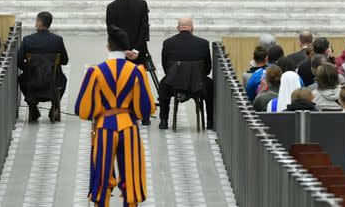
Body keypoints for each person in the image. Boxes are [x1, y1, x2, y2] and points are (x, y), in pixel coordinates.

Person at [75, 25, 154, 207]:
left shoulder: (95, 72)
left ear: (108, 47)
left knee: (102, 175)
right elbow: (146, 109)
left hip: (105, 127)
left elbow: (83, 109)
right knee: (131, 176)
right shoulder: (136, 71)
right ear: (127, 49)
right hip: (128, 127)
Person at [158, 17, 213, 129]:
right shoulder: (203, 44)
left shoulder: (168, 43)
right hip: (198, 84)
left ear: (178, 28)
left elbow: (166, 67)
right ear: (192, 28)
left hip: (173, 84)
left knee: (163, 84)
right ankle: (210, 121)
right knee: (211, 85)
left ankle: (164, 120)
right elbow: (207, 69)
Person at [17, 11, 69, 122]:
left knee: (21, 79)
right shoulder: (57, 40)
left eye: (36, 21)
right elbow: (65, 61)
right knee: (63, 80)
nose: (35, 23)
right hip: (53, 82)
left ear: (40, 23)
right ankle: (54, 107)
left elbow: (19, 61)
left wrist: (29, 70)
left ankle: (33, 108)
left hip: (32, 82)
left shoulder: (28, 40)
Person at [106, 0, 150, 68]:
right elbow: (144, 29)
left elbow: (112, 32)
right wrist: (135, 50)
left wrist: (124, 51)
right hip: (139, 54)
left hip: (119, 54)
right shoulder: (142, 4)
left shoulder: (111, 7)